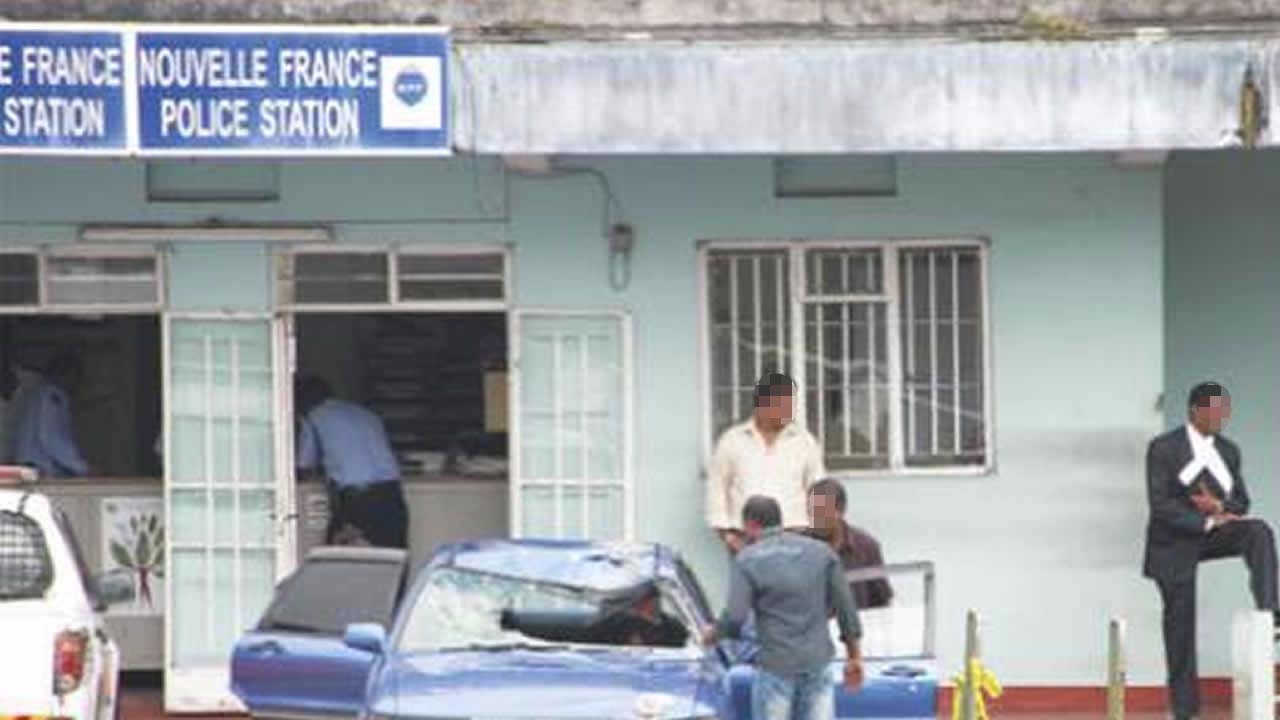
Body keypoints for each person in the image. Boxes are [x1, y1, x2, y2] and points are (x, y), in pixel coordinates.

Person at [1143, 381, 1280, 720]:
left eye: (1226, 410)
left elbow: (1241, 502)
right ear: (1196, 410)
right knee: (1180, 626)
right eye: (1217, 410)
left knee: (1258, 532)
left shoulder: (1228, 451)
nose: (1224, 416)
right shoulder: (1164, 448)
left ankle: (1270, 614)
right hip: (1173, 541)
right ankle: (1185, 709)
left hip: (1213, 531)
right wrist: (1204, 521)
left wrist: (1219, 506)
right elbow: (1160, 505)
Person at [703, 495, 863, 720]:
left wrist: (713, 635)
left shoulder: (747, 560)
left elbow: (735, 617)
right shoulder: (822, 553)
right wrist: (854, 657)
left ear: (750, 525)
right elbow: (846, 606)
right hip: (817, 663)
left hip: (775, 667)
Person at [706, 371, 825, 555]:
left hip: (794, 536)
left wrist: (815, 534)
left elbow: (817, 489)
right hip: (746, 538)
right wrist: (727, 536)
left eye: (792, 403)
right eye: (784, 403)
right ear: (762, 403)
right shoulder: (732, 440)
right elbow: (717, 489)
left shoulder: (804, 442)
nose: (790, 410)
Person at [295, 375, 408, 549]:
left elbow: (304, 465)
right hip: (393, 494)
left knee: (343, 557)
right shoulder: (366, 414)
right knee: (392, 556)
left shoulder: (313, 417)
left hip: (359, 500)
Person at [804, 478, 893, 610]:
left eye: (820, 512)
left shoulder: (866, 547)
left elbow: (882, 601)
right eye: (810, 512)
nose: (814, 520)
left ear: (841, 510)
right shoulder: (800, 549)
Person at [11, 351, 89, 478]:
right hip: (39, 470)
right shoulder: (52, 396)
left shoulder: (39, 394)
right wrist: (81, 467)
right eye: (77, 376)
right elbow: (52, 438)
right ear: (68, 375)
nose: (78, 384)